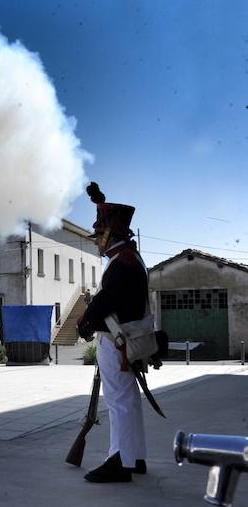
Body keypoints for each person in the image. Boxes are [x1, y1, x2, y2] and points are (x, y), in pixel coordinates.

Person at [76, 182, 150, 483]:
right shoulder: (128, 259)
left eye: (99, 235)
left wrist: (84, 323)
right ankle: (134, 457)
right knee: (128, 400)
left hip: (118, 340)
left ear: (109, 234)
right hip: (127, 338)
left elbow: (107, 300)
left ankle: (120, 459)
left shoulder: (124, 261)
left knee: (119, 402)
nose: (97, 242)